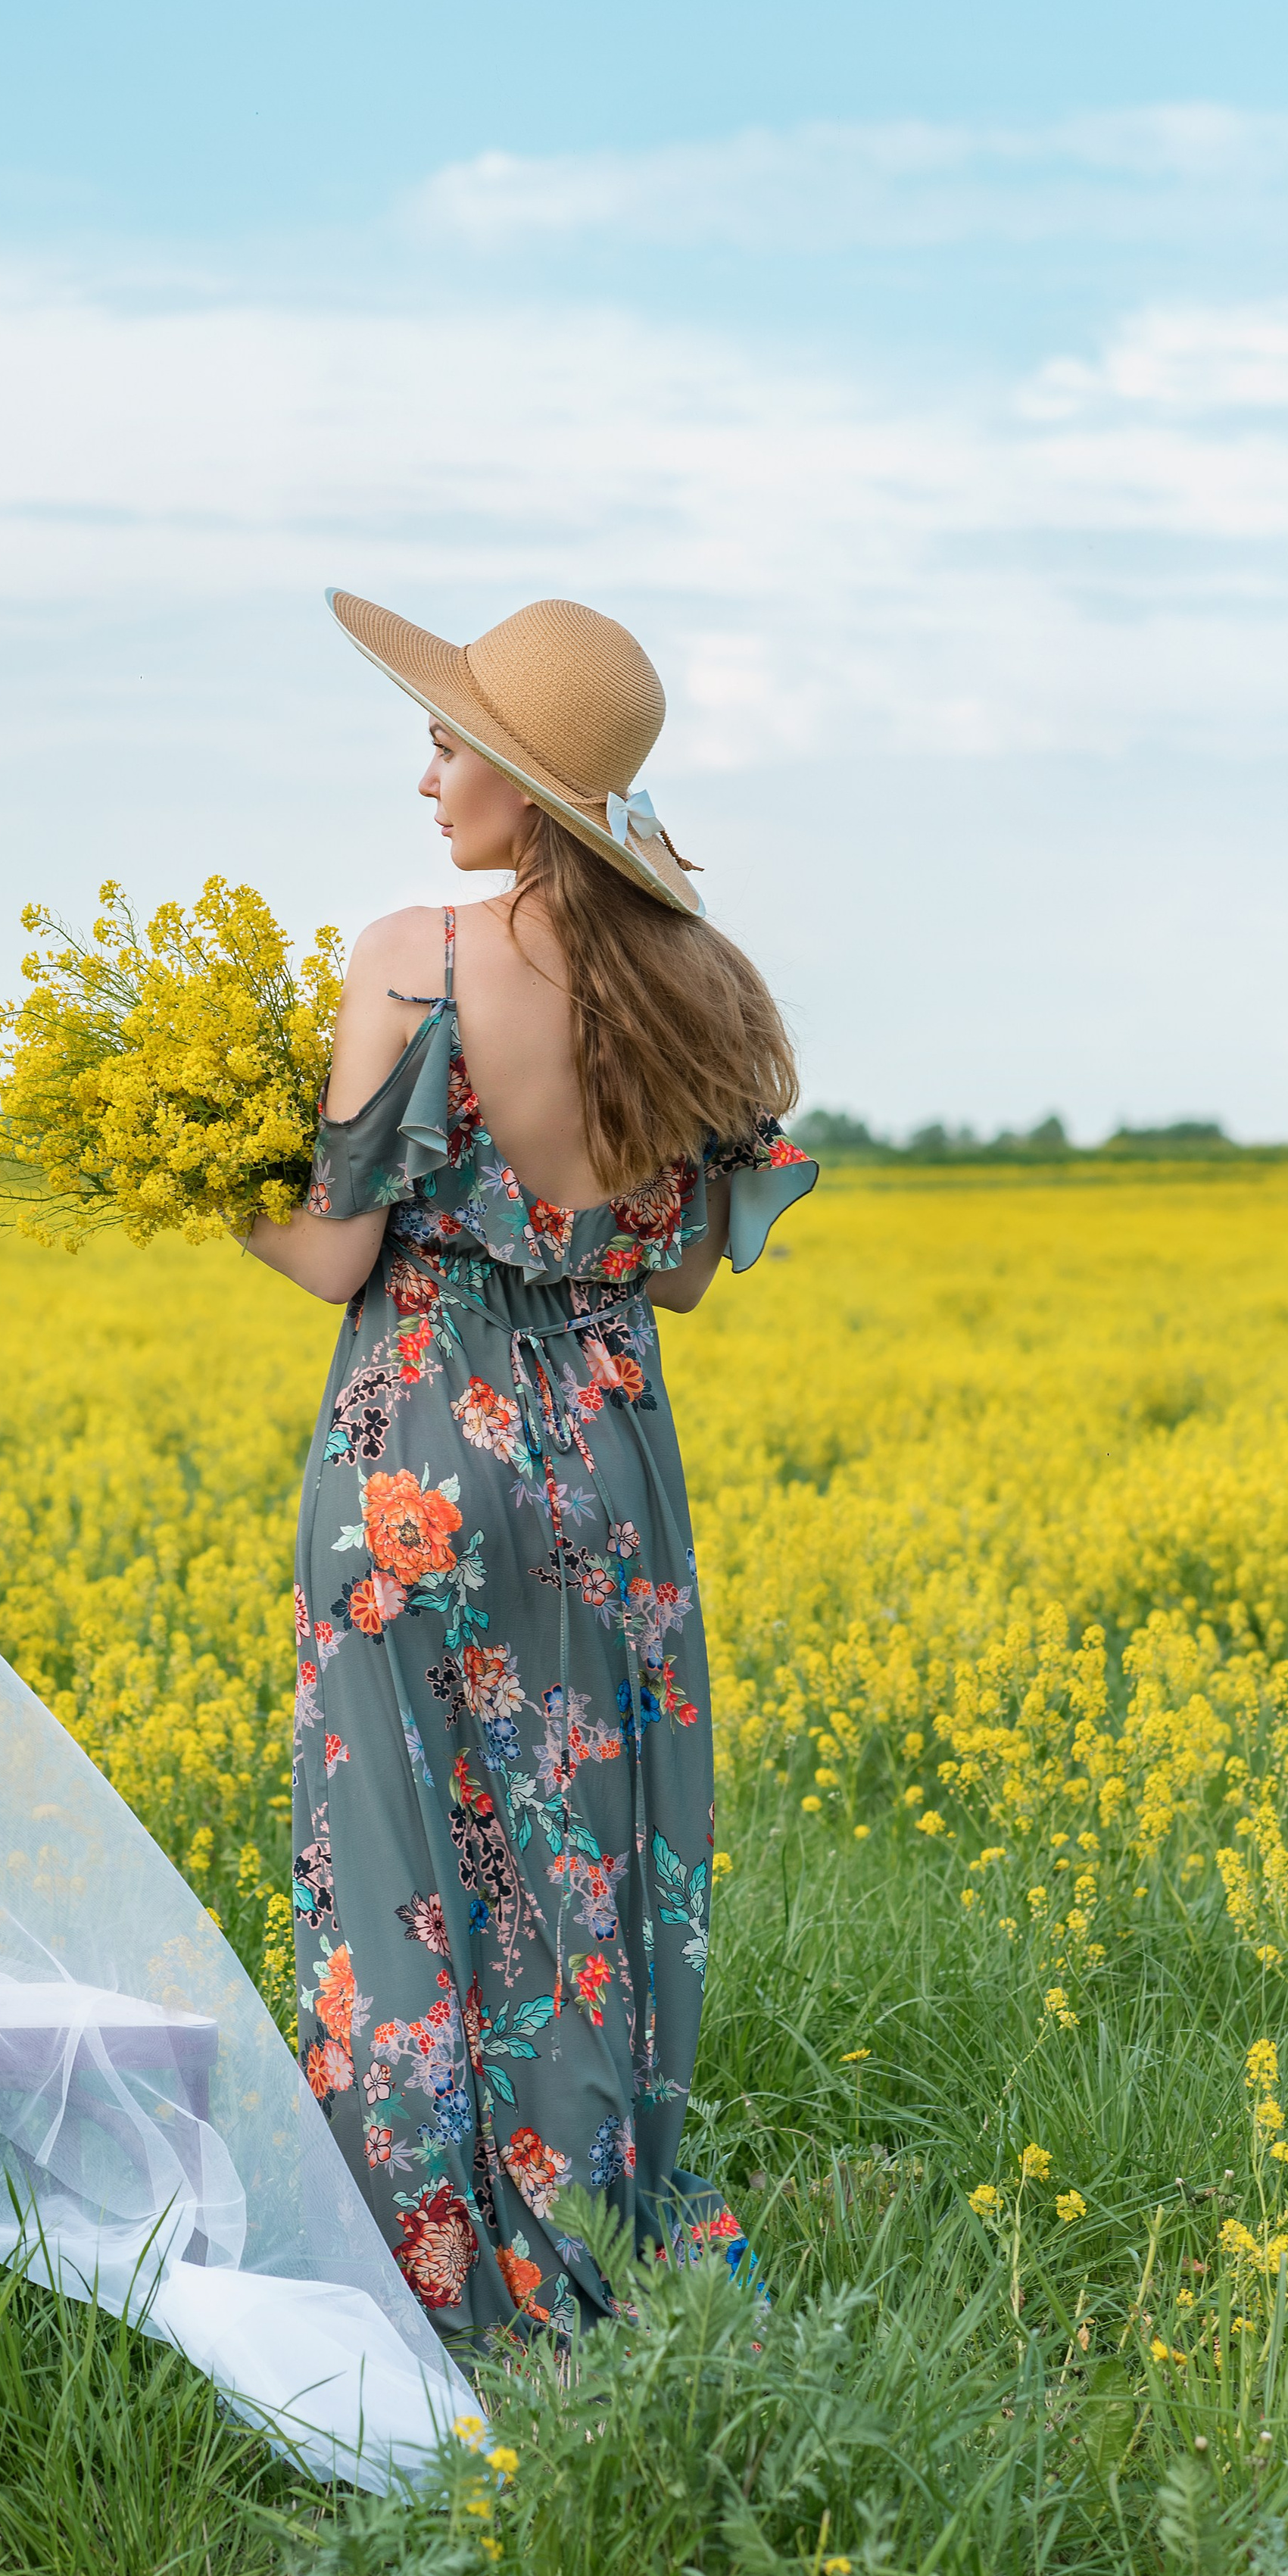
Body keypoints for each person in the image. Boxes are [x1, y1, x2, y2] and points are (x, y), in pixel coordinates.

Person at [238, 589, 815, 2341]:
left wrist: (200, 1171)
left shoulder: (414, 950)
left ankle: (409, 2271)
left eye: (446, 743)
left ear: (515, 783)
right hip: (605, 1473)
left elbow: (335, 1255)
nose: (425, 777)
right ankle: (585, 2215)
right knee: (581, 1854)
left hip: (417, 1449)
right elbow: (689, 1269)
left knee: (402, 1855)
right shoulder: (704, 991)